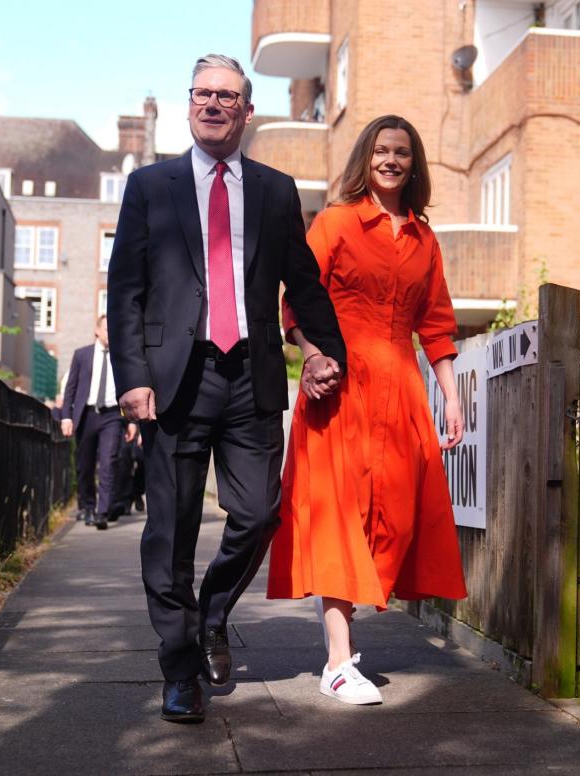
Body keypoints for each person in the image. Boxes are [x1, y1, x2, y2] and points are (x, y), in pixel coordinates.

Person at [107, 54, 346, 724]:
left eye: (228, 96)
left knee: (259, 512)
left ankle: (211, 613)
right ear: (190, 104)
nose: (213, 104)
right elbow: (125, 288)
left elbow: (302, 282)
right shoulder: (150, 186)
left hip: (251, 375)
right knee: (172, 529)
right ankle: (180, 668)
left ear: (246, 110)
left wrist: (326, 352)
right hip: (175, 381)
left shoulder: (273, 190)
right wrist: (133, 377)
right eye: (203, 93)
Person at [266, 115, 469, 705]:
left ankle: (345, 639)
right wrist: (311, 357)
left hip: (401, 388)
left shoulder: (425, 239)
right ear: (366, 156)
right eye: (381, 150)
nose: (390, 160)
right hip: (340, 386)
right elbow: (296, 300)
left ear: (414, 162)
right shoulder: (334, 221)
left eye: (402, 152)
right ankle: (336, 659)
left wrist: (451, 395)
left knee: (397, 516)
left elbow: (435, 325)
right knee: (340, 514)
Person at [59, 315, 134, 529]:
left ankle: (103, 511)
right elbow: (70, 388)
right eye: (108, 329)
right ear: (97, 331)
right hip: (87, 415)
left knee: (109, 462)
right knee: (85, 465)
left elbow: (129, 388)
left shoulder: (122, 356)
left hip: (112, 415)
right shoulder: (82, 355)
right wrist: (66, 416)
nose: (112, 334)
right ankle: (88, 506)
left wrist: (131, 421)